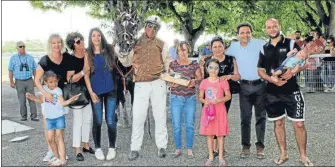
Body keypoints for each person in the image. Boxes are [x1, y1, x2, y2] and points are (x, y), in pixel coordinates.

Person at [257, 18, 313, 166]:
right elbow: (260, 71)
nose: (272, 29)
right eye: (269, 27)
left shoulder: (291, 43)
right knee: (279, 124)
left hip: (291, 90)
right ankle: (283, 154)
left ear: (279, 26)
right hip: (272, 92)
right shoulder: (264, 48)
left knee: (299, 124)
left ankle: (303, 156)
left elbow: (304, 62)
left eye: (274, 26)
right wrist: (271, 79)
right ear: (266, 30)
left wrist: (293, 72)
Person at [114, 15, 170, 161]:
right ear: (145, 26)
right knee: (138, 117)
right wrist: (121, 51)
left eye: (155, 27)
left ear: (157, 30)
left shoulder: (162, 44)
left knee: (160, 116)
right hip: (140, 84)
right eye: (149, 25)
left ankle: (162, 146)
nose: (151, 29)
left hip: (158, 83)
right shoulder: (135, 43)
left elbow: (167, 64)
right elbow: (126, 62)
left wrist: (169, 79)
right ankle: (135, 148)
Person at [226, 23, 267, 159]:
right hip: (244, 87)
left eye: (248, 32)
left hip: (260, 85)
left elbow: (273, 51)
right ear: (238, 34)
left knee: (261, 117)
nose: (245, 35)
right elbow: (219, 55)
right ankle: (245, 146)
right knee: (245, 118)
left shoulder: (260, 43)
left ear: (251, 33)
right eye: (242, 33)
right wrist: (204, 59)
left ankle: (260, 147)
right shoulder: (233, 47)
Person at [27, 71, 80, 166]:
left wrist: (71, 99)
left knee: (59, 137)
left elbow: (63, 103)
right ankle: (57, 157)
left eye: (55, 81)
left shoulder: (58, 91)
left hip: (59, 117)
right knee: (50, 139)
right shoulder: (43, 90)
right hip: (49, 119)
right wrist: (33, 98)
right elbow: (41, 101)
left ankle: (63, 159)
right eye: (51, 82)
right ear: (46, 82)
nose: (54, 83)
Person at [199, 36, 240, 158]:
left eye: (220, 46)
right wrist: (201, 66)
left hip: (224, 96)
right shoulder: (206, 60)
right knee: (210, 119)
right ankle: (213, 150)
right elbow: (202, 79)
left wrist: (229, 76)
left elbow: (238, 76)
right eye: (214, 47)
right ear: (211, 48)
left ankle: (219, 148)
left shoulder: (230, 59)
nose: (217, 49)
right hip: (209, 96)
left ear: (224, 47)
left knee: (221, 119)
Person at [35, 34, 72, 162]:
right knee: (49, 127)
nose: (56, 45)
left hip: (60, 96)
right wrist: (45, 94)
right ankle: (51, 150)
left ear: (62, 44)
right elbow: (37, 80)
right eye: (53, 43)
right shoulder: (45, 60)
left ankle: (62, 153)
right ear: (50, 45)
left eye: (58, 42)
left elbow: (70, 73)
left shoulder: (66, 58)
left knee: (59, 129)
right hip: (47, 98)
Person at [83, 27, 118, 161]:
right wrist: (91, 92)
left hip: (111, 90)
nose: (96, 38)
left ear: (101, 36)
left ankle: (112, 148)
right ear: (90, 38)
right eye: (93, 36)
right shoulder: (88, 53)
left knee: (110, 121)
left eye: (98, 35)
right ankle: (98, 148)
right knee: (98, 121)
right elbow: (86, 75)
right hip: (96, 92)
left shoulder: (109, 49)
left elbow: (121, 61)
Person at [168, 41, 202, 158]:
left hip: (190, 98)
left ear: (189, 51)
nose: (182, 52)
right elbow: (169, 79)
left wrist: (195, 81)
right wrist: (171, 84)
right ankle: (178, 148)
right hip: (176, 98)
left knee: (189, 125)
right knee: (176, 125)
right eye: (180, 50)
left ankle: (189, 149)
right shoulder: (173, 64)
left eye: (184, 50)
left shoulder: (194, 64)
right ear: (177, 51)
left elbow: (200, 78)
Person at [65, 32, 95, 161]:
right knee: (78, 122)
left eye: (82, 40)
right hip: (77, 93)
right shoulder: (71, 59)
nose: (81, 42)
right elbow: (70, 79)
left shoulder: (88, 54)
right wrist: (83, 71)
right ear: (73, 45)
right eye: (78, 42)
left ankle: (86, 145)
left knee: (88, 119)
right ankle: (77, 149)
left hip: (89, 91)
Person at [198, 59, 231, 166]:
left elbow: (228, 96)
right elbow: (200, 97)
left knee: (220, 134)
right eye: (211, 67)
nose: (213, 70)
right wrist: (205, 101)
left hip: (220, 110)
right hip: (208, 111)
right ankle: (211, 156)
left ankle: (221, 157)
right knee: (210, 134)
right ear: (207, 69)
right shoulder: (204, 82)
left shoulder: (223, 81)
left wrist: (219, 100)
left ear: (219, 69)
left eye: (216, 68)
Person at [8, 41, 38, 121]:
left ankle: (34, 116)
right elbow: (10, 70)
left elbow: (35, 69)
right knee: (22, 100)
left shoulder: (30, 57)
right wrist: (11, 81)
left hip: (29, 80)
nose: (22, 48)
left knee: (32, 98)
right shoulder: (13, 58)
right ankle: (24, 116)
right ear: (17, 48)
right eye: (20, 46)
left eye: (24, 46)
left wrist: (36, 80)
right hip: (19, 81)